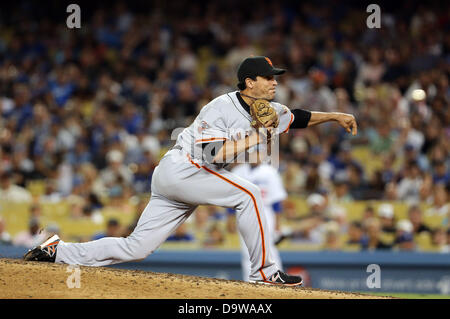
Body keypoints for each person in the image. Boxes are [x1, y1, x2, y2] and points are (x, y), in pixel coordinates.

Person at [24, 56, 357, 286]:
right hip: (183, 169)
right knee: (251, 195)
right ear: (248, 82)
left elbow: (297, 117)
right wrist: (258, 136)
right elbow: (214, 152)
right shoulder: (221, 106)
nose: (274, 82)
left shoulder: (268, 110)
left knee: (137, 248)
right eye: (268, 78)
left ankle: (57, 252)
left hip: (186, 180)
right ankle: (265, 273)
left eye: (275, 78)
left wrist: (334, 116)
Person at [227, 149, 287, 281]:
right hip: (243, 211)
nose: (255, 156)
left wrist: (277, 223)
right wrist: (230, 218)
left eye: (258, 153)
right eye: (253, 153)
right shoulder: (238, 171)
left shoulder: (270, 172)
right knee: (247, 249)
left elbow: (276, 201)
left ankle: (277, 280)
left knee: (268, 248)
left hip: (265, 211)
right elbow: (232, 196)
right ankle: (251, 282)